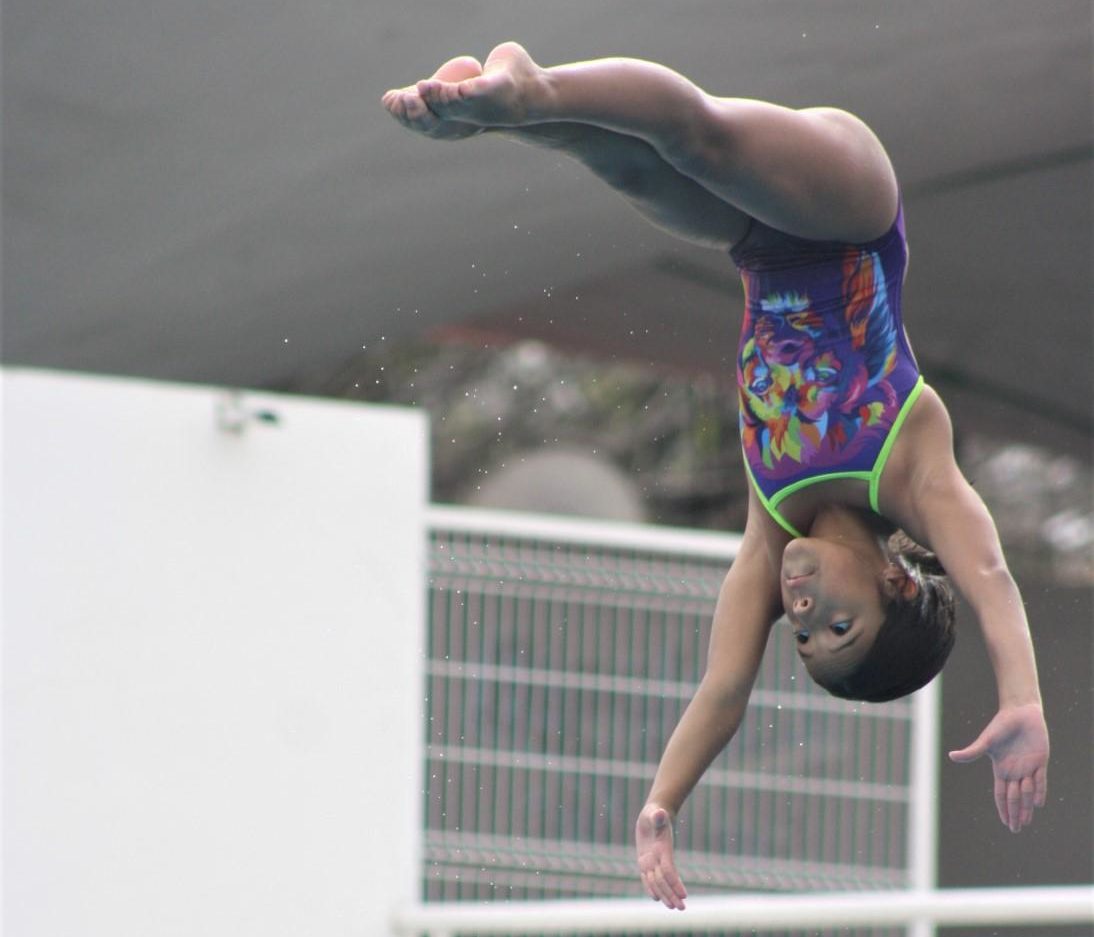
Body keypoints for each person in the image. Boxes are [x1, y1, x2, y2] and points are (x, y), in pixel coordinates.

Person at [382, 42, 1050, 911]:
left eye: (805, 639)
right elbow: (988, 570)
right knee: (698, 142)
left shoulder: (771, 521)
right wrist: (1022, 700)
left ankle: (502, 94)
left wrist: (662, 803)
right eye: (839, 623)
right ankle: (531, 89)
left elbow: (725, 687)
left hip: (759, 246)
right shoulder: (911, 467)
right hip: (847, 209)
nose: (803, 617)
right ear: (897, 577)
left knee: (620, 162)